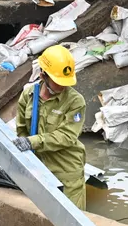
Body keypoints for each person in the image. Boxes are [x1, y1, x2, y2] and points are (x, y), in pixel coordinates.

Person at [14, 45, 88, 210]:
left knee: (72, 220)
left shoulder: (75, 101)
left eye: (65, 82)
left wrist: (33, 142)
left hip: (66, 172)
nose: (63, 86)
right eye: (58, 82)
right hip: (39, 171)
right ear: (43, 75)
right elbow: (21, 131)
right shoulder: (28, 96)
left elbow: (67, 136)